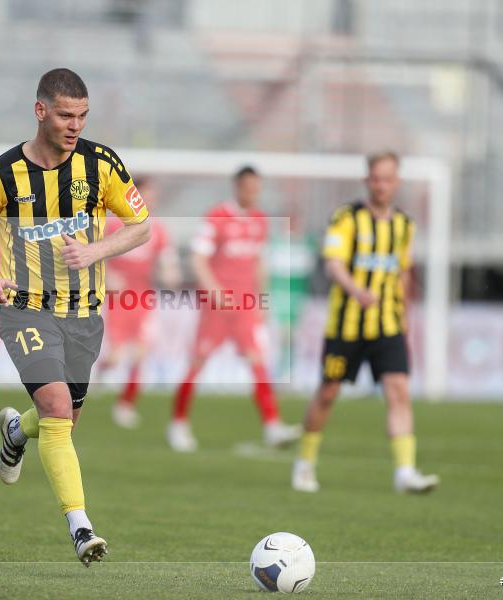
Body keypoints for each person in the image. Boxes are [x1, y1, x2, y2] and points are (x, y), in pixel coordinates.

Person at [0, 68, 151, 565]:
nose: (75, 126)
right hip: (23, 309)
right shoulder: (0, 174)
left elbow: (141, 225)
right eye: (66, 115)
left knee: (61, 419)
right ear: (40, 110)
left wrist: (96, 251)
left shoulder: (102, 164)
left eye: (83, 116)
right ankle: (81, 528)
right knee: (59, 413)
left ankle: (15, 433)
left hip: (84, 313)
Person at [291, 151, 439, 494]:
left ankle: (405, 472)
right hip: (346, 325)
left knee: (398, 391)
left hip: (388, 325)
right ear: (367, 180)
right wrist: (357, 290)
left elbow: (402, 271)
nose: (381, 185)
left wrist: (404, 313)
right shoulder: (346, 218)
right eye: (376, 179)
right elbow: (333, 263)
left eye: (388, 179)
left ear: (396, 182)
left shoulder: (404, 225)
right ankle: (305, 463)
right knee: (328, 393)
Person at [167, 166, 300, 452]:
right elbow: (197, 258)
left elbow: (259, 262)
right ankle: (178, 423)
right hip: (216, 307)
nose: (253, 193)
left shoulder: (260, 221)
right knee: (198, 361)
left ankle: (273, 425)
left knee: (257, 360)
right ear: (238, 187)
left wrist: (262, 298)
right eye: (249, 187)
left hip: (245, 306)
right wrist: (214, 290)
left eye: (257, 188)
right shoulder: (217, 217)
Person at [102, 177, 180, 428]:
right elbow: (93, 255)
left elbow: (167, 261)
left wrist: (170, 273)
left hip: (142, 299)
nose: (149, 201)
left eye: (152, 196)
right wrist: (107, 275)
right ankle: (101, 371)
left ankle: (125, 404)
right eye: (145, 195)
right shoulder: (114, 226)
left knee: (140, 353)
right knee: (116, 356)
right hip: (117, 300)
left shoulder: (157, 230)